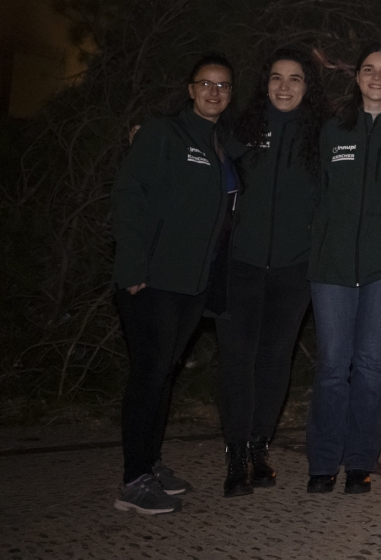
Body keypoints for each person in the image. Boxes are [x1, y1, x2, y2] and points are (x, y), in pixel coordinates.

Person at [111, 53, 239, 514]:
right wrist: (132, 267)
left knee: (163, 374)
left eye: (223, 86)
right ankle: (133, 480)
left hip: (194, 283)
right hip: (153, 279)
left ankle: (150, 461)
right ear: (190, 88)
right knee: (148, 374)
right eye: (206, 83)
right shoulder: (163, 134)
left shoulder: (222, 143)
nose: (214, 92)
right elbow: (130, 194)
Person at [306, 44, 381, 496]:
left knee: (371, 365)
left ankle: (359, 462)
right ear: (357, 78)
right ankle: (322, 462)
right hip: (331, 265)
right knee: (333, 365)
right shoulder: (332, 131)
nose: (377, 77)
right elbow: (314, 189)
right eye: (369, 70)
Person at [216, 47, 326, 497]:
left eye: (295, 79)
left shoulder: (321, 136)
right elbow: (197, 133)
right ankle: (237, 453)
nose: (284, 87)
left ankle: (260, 445)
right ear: (265, 84)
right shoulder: (240, 130)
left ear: (307, 86)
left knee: (276, 359)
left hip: (294, 267)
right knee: (236, 359)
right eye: (276, 78)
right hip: (240, 263)